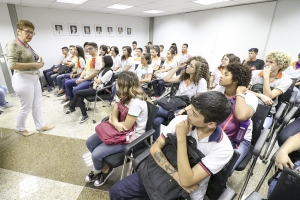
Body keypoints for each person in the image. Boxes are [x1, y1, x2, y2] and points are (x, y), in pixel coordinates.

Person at [110, 91, 233, 200]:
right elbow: (154, 149)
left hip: (185, 192)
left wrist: (181, 138)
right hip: (158, 174)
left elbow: (188, 180)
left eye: (194, 113)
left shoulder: (222, 148)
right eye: (190, 107)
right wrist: (177, 177)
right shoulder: (180, 121)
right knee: (116, 191)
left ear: (211, 124)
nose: (188, 112)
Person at [85, 71, 148, 187]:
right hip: (118, 129)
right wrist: (113, 121)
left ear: (125, 84)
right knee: (90, 143)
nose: (116, 82)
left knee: (96, 154)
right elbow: (114, 112)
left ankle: (100, 171)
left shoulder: (136, 103)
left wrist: (112, 121)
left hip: (131, 137)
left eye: (118, 81)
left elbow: (125, 127)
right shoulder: (122, 94)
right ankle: (105, 167)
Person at [6, 20, 54, 136]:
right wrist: (34, 65)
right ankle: (20, 128)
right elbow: (12, 65)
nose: (30, 35)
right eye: (28, 32)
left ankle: (40, 125)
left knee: (37, 103)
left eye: (32, 33)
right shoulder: (13, 44)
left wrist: (38, 63)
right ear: (19, 31)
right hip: (22, 78)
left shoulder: (26, 45)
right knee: (26, 106)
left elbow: (31, 59)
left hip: (33, 77)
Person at [212, 63, 258, 171]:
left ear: (236, 80)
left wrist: (239, 94)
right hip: (216, 131)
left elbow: (241, 116)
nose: (221, 76)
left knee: (223, 170)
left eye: (226, 74)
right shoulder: (220, 89)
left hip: (239, 139)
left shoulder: (250, 98)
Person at [152, 56, 210, 141]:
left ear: (198, 70)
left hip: (186, 107)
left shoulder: (201, 81)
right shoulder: (184, 76)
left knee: (155, 111)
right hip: (174, 103)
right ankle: (156, 142)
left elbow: (198, 102)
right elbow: (166, 79)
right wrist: (178, 67)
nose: (187, 66)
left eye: (191, 66)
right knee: (156, 121)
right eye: (188, 64)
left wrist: (184, 110)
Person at [249, 50, 293, 128]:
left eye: (271, 62)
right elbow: (242, 89)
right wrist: (260, 95)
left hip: (265, 111)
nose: (266, 64)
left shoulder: (286, 80)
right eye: (266, 61)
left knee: (261, 129)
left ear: (280, 66)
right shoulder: (254, 73)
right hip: (249, 105)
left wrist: (266, 77)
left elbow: (268, 96)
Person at [64, 56, 113, 123]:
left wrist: (96, 81)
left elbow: (100, 81)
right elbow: (96, 77)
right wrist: (95, 83)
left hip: (100, 90)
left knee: (77, 93)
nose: (102, 62)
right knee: (80, 97)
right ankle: (84, 115)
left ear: (107, 62)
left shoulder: (109, 72)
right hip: (95, 86)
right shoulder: (103, 69)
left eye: (103, 61)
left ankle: (72, 108)